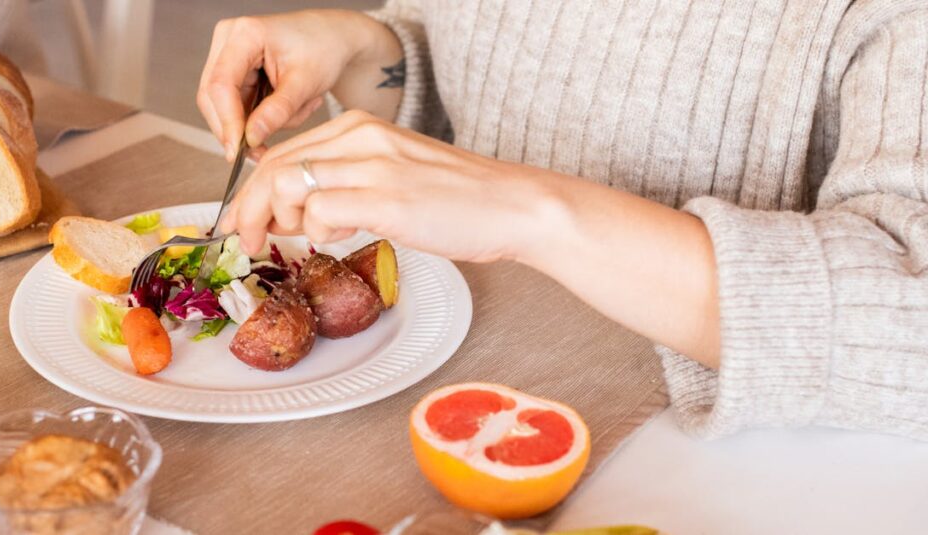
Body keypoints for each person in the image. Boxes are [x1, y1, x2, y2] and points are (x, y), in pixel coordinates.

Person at [197, 2, 928, 440]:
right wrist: (373, 53)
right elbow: (468, 66)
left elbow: (908, 326)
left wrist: (533, 210)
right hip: (450, 382)